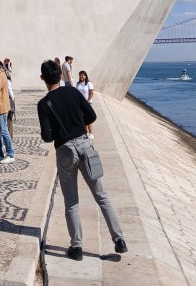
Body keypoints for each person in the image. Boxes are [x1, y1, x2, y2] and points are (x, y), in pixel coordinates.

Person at [38, 59, 127, 261]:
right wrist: (77, 123)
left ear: (43, 78)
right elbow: (91, 116)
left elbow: (47, 137)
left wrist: (59, 130)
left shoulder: (44, 104)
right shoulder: (72, 92)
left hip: (65, 151)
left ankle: (77, 247)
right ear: (60, 76)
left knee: (71, 202)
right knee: (102, 196)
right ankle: (119, 239)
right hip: (85, 146)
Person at [75, 70, 95, 138]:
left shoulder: (89, 83)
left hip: (88, 103)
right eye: (80, 75)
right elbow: (76, 94)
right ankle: (86, 133)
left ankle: (91, 133)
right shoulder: (78, 84)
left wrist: (88, 101)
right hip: (80, 104)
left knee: (89, 118)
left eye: (82, 75)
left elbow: (91, 93)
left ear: (85, 76)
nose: (81, 76)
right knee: (83, 119)